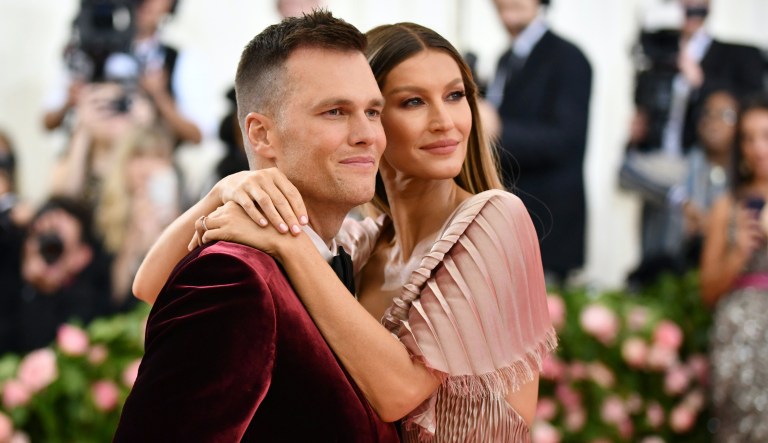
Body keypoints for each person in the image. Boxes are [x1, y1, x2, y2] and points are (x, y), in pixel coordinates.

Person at [135, 21, 555, 441]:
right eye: (412, 102)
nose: (445, 121)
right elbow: (152, 285)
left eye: (456, 95)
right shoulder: (361, 245)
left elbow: (399, 393)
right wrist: (224, 191)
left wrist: (288, 242)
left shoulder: (496, 217)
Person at [114, 11, 398, 441]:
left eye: (373, 111)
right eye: (335, 111)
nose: (367, 135)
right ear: (262, 136)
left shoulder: (347, 251)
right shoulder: (232, 276)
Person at [484, 0, 593, 284]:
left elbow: (566, 140)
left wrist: (498, 129)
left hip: (547, 226)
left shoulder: (569, 58)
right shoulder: (505, 59)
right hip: (506, 225)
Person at [700, 92, 768, 442]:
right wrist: (739, 251)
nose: (757, 147)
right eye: (748, 137)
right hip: (737, 339)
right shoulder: (728, 205)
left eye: (766, 135)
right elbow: (708, 291)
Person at [42, 0, 203, 144]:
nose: (144, 3)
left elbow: (197, 135)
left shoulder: (176, 59)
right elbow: (47, 122)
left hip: (146, 160)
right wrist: (70, 100)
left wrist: (160, 97)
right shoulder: (87, 53)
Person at [621, 89, 738, 284]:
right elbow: (626, 172)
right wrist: (681, 200)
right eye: (707, 113)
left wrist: (718, 226)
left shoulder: (742, 180)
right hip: (665, 279)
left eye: (725, 114)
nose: (714, 121)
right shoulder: (680, 167)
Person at [6, 196, 111, 354]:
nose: (47, 248)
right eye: (41, 236)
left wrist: (45, 287)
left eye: (58, 244)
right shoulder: (9, 276)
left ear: (82, 257)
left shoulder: (88, 302)